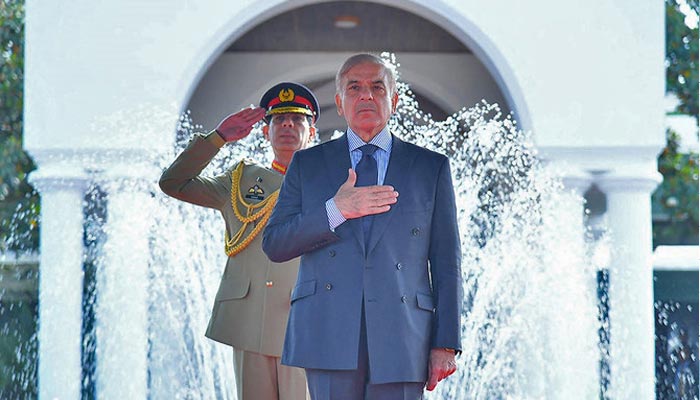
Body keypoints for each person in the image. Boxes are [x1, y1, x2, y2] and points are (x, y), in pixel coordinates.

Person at [263, 54, 462, 399]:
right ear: (339, 103)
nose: (366, 95)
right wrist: (335, 210)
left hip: (404, 335)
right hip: (327, 333)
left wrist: (446, 343)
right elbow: (276, 243)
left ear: (394, 101)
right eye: (354, 87)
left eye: (377, 87)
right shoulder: (307, 164)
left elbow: (447, 263)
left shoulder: (430, 167)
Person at [159, 82, 319, 400]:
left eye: (298, 120)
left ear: (312, 132)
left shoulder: (331, 182)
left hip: (306, 323)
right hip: (251, 322)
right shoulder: (241, 180)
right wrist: (218, 138)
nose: (287, 125)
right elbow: (173, 182)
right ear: (265, 132)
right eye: (278, 119)